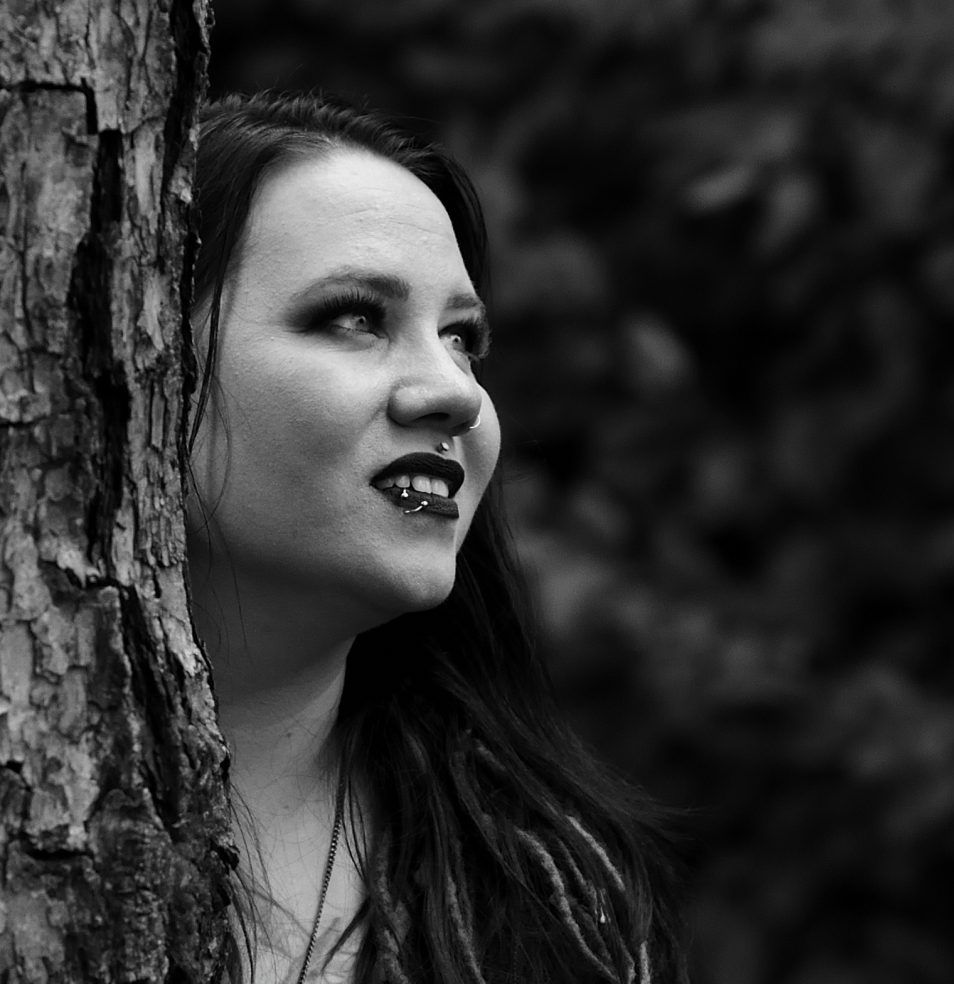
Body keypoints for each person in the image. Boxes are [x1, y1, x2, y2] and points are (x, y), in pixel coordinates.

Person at [186, 89, 687, 984]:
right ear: (143, 357)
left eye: (462, 339)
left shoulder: (550, 906)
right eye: (354, 317)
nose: (458, 393)